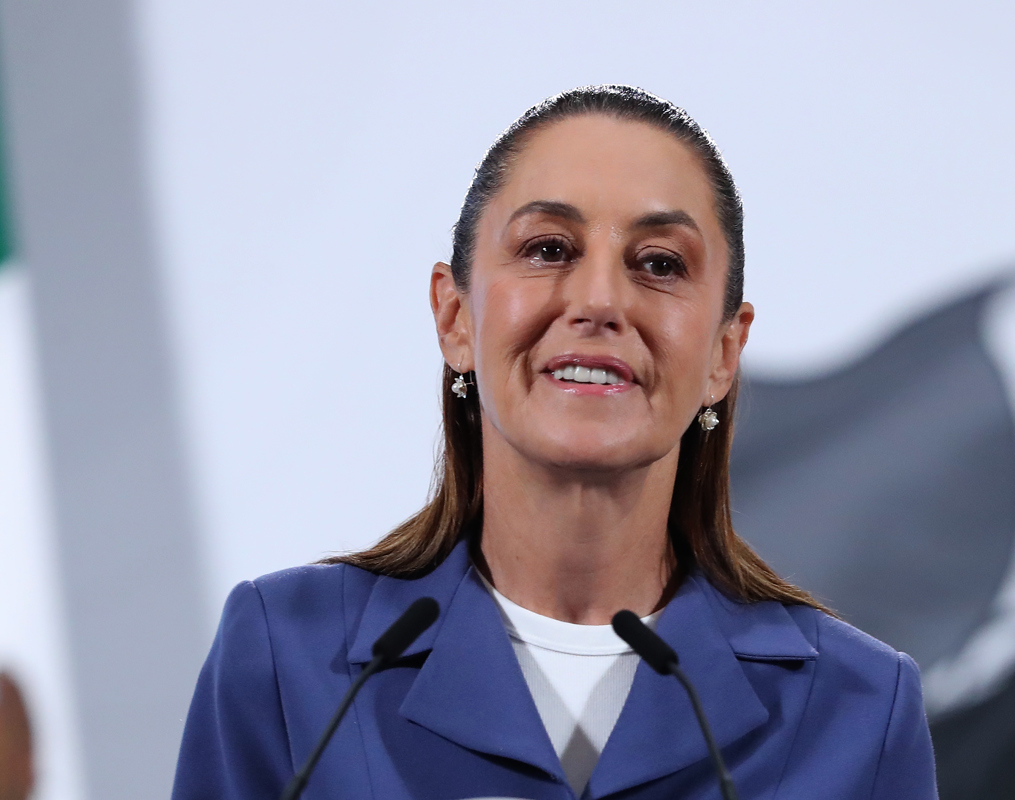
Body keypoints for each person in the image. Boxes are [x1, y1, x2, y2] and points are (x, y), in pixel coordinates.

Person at [172, 85, 938, 800]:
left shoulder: (859, 707)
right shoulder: (284, 657)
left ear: (723, 356)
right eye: (547, 250)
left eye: (660, 264)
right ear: (455, 317)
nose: (600, 300)